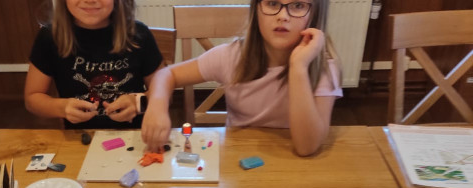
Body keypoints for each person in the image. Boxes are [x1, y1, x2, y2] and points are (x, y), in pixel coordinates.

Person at [141, 0, 342, 155]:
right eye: (272, 3)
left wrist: (298, 68)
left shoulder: (324, 66)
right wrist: (157, 107)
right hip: (238, 159)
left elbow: (307, 147)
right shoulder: (231, 56)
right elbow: (166, 73)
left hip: (293, 165)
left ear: (316, 14)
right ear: (256, 9)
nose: (283, 16)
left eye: (298, 6)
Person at [25, 0, 163, 130]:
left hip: (135, 135)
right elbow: (32, 99)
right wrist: (62, 107)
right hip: (78, 138)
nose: (90, 0)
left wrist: (138, 103)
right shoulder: (49, 37)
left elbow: (164, 92)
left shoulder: (139, 34)